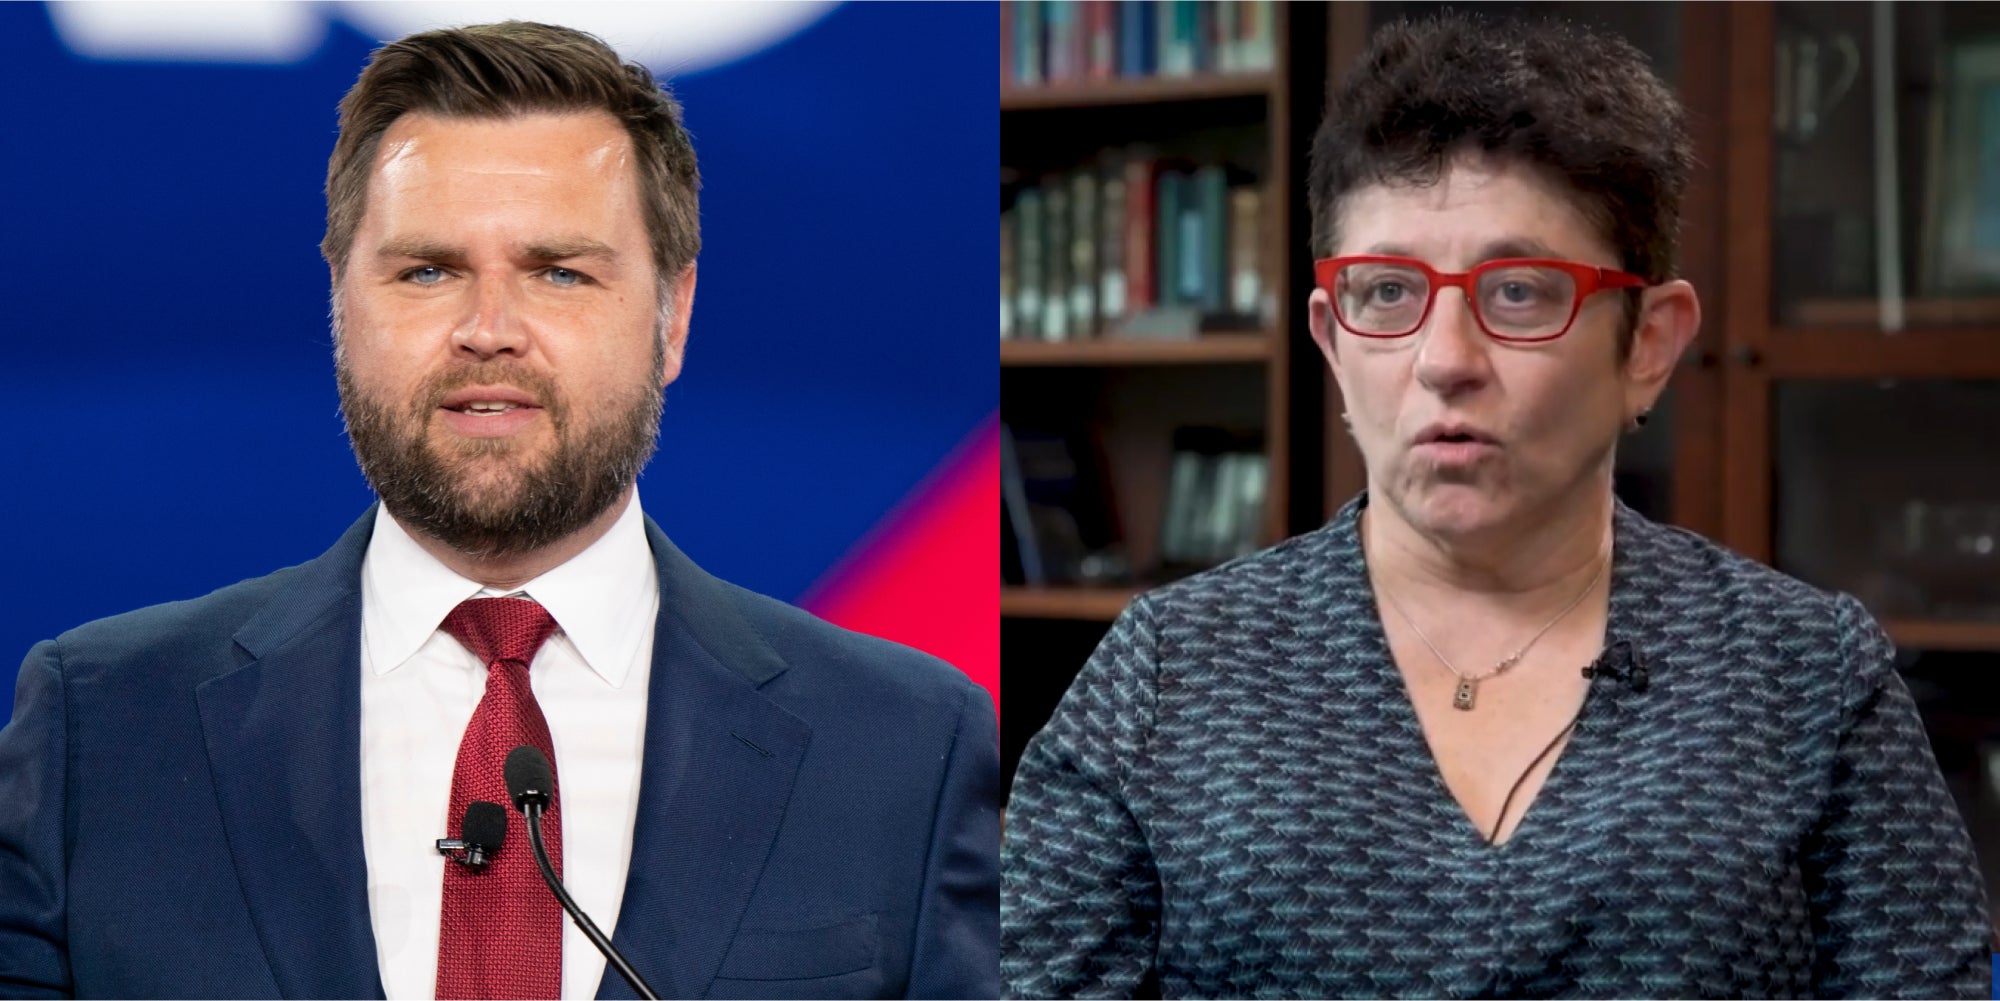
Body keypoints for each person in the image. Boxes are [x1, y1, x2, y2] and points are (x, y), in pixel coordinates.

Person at [1000, 11, 1989, 999]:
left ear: (1648, 342)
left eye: (1518, 292)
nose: (1444, 361)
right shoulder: (1165, 677)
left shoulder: (1809, 676)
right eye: (1387, 293)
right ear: (1332, 341)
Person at [0, 21, 998, 1001]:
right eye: (427, 271)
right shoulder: (100, 726)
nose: (488, 330)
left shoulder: (905, 746)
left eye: (559, 272)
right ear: (342, 306)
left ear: (674, 317)